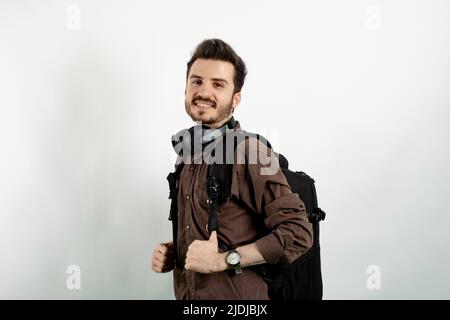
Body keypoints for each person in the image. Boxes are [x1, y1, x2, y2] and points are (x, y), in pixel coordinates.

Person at [151, 39, 313, 300]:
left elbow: (298, 233)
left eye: (218, 84)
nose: (204, 91)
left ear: (235, 98)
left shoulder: (252, 152)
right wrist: (176, 251)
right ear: (185, 89)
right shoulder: (187, 154)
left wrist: (223, 260)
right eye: (197, 81)